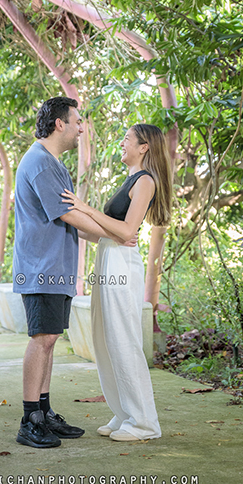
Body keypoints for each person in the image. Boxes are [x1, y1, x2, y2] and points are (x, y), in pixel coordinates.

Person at [13, 96, 129, 449]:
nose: (81, 129)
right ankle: (29, 419)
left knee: (50, 339)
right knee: (42, 339)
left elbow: (73, 221)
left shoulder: (54, 165)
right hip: (41, 268)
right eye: (77, 122)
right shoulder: (40, 162)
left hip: (56, 267)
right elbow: (68, 214)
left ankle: (44, 411)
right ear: (59, 123)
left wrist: (109, 237)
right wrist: (116, 233)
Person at [62, 123, 173, 442]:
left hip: (122, 264)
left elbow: (127, 231)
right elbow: (107, 233)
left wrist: (84, 207)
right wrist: (68, 220)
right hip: (108, 258)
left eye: (127, 139)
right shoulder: (130, 179)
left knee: (123, 340)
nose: (122, 144)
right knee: (105, 340)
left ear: (144, 147)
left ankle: (144, 422)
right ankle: (124, 412)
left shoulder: (146, 181)